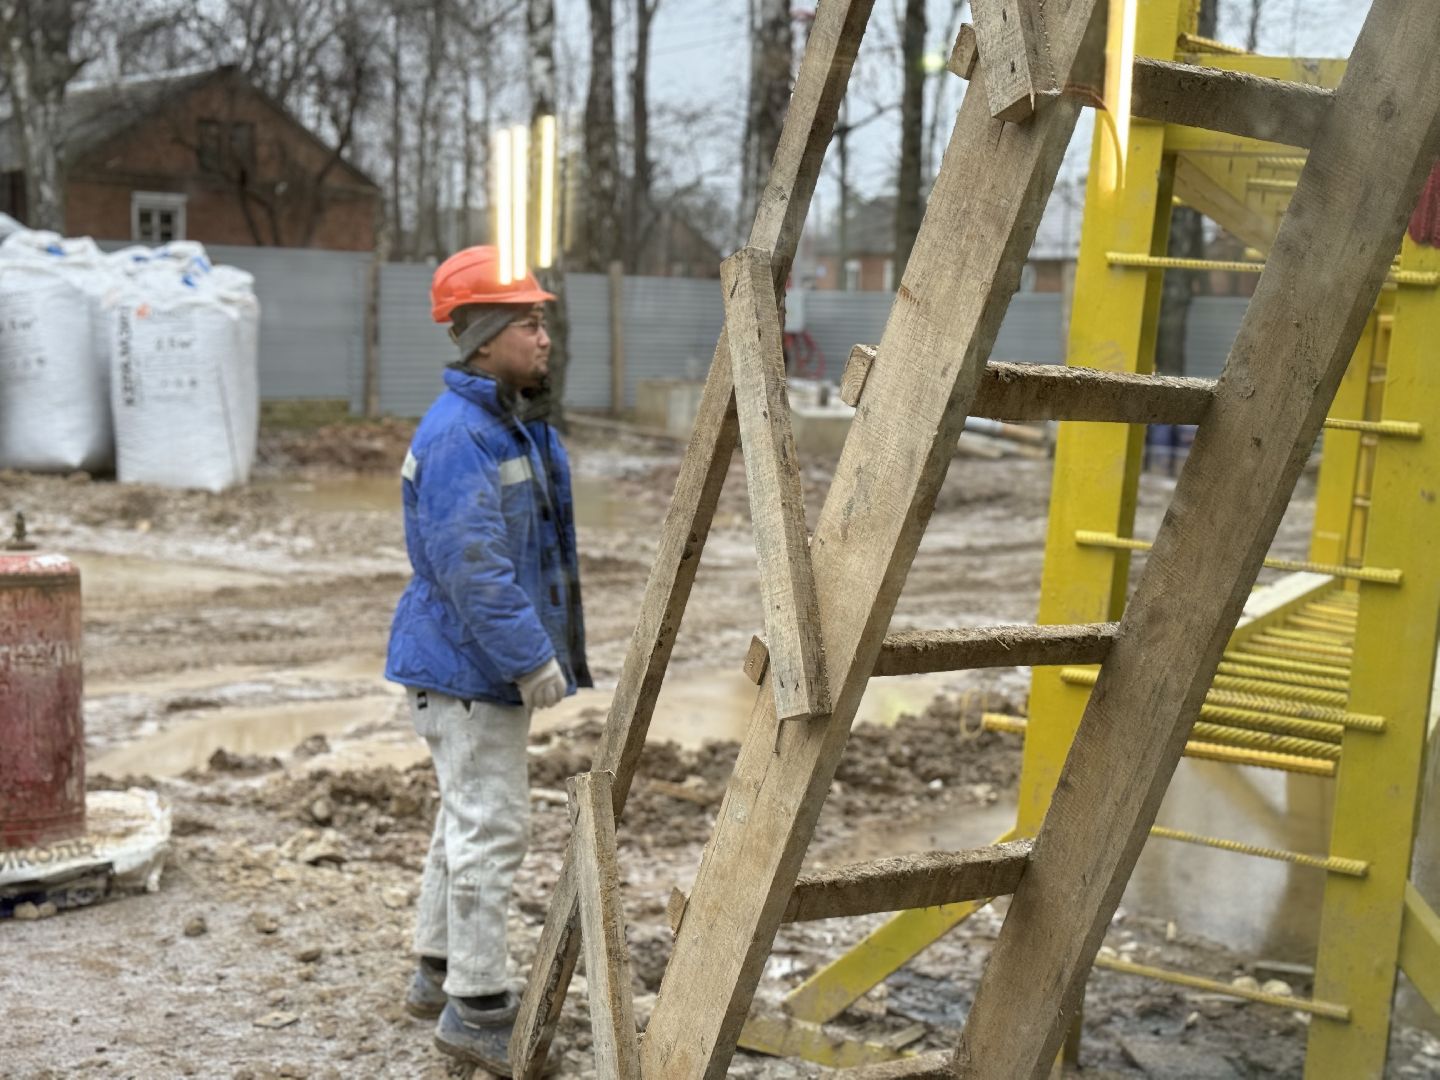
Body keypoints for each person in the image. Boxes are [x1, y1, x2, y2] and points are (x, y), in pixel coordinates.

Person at [384, 244, 590, 1075]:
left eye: (542, 319)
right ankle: (477, 1008)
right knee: (490, 827)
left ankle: (436, 973)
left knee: (461, 817)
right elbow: (476, 567)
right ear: (484, 338)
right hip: (469, 671)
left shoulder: (504, 419)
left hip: (461, 669)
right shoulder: (464, 435)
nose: (545, 335)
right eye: (529, 321)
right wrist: (531, 659)